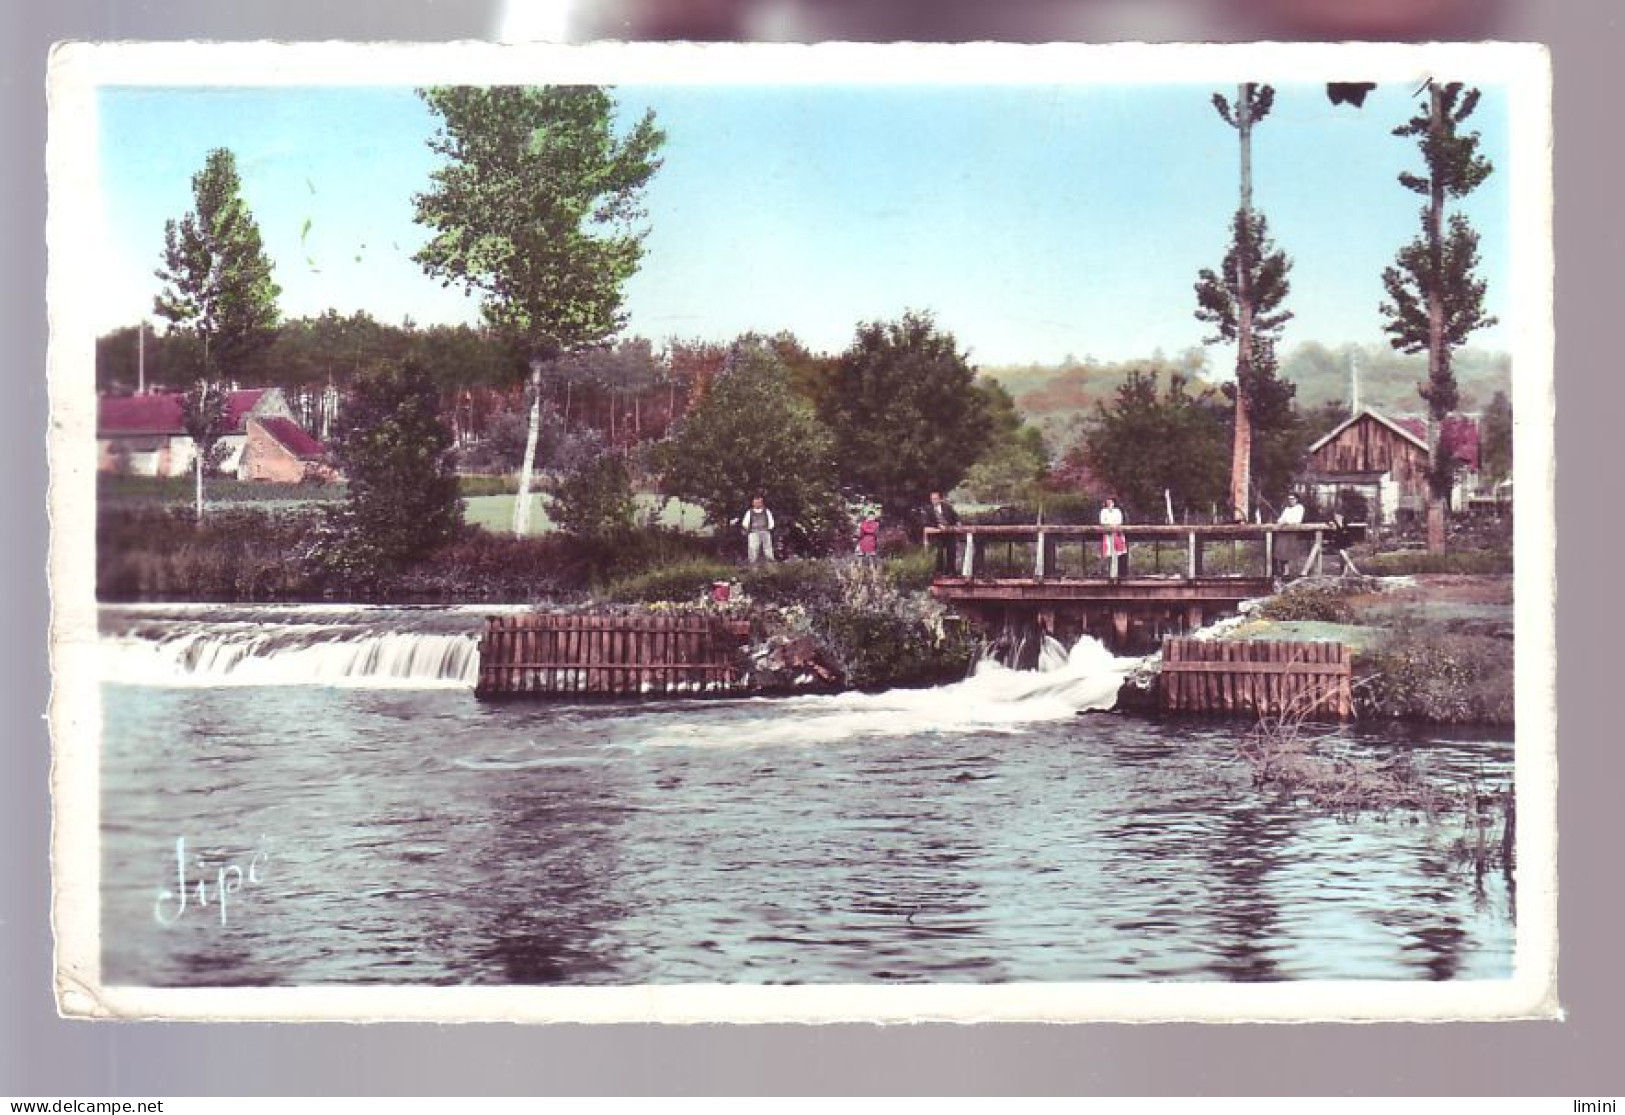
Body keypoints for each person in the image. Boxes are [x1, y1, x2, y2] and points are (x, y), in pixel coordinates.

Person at [927, 491, 959, 574]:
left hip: (949, 533)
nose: (934, 501)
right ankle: (939, 571)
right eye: (932, 499)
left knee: (952, 549)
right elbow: (927, 522)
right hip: (937, 535)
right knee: (939, 551)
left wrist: (958, 522)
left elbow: (955, 516)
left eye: (935, 499)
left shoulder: (947, 507)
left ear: (939, 499)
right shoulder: (929, 509)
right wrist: (938, 525)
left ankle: (951, 570)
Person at [1275, 494, 1306, 577]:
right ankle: (1285, 571)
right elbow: (1281, 519)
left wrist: (1286, 522)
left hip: (1293, 532)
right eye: (1289, 499)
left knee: (1291, 553)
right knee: (1281, 552)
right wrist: (1281, 522)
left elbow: (1297, 520)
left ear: (1296, 499)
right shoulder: (1287, 509)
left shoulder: (1300, 508)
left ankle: (1295, 572)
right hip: (1284, 532)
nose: (1291, 501)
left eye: (1293, 499)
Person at [738, 495, 776, 564]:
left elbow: (771, 522)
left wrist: (768, 529)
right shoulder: (749, 512)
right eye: (755, 502)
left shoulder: (766, 511)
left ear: (762, 503)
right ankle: (752, 565)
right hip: (753, 533)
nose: (757, 504)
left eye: (759, 502)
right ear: (753, 503)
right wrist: (749, 530)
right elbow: (745, 523)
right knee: (753, 549)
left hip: (765, 532)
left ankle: (770, 565)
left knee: (768, 549)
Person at [1099, 497, 1128, 578]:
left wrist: (1115, 526)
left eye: (1110, 502)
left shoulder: (1117, 511)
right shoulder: (1103, 511)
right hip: (1108, 534)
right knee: (1109, 554)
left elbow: (1119, 521)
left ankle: (1119, 574)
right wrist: (1109, 526)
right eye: (1107, 502)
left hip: (1117, 534)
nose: (1109, 504)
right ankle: (1109, 574)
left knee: (1119, 554)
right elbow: (1102, 521)